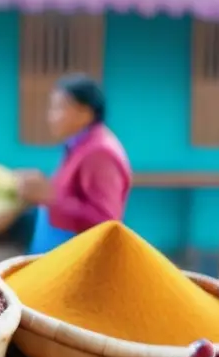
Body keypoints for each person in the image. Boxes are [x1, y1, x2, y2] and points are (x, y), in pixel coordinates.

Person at [17, 74, 133, 254]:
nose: (51, 117)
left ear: (85, 112)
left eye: (59, 108)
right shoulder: (78, 145)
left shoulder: (100, 153)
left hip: (80, 261)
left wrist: (49, 197)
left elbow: (107, 221)